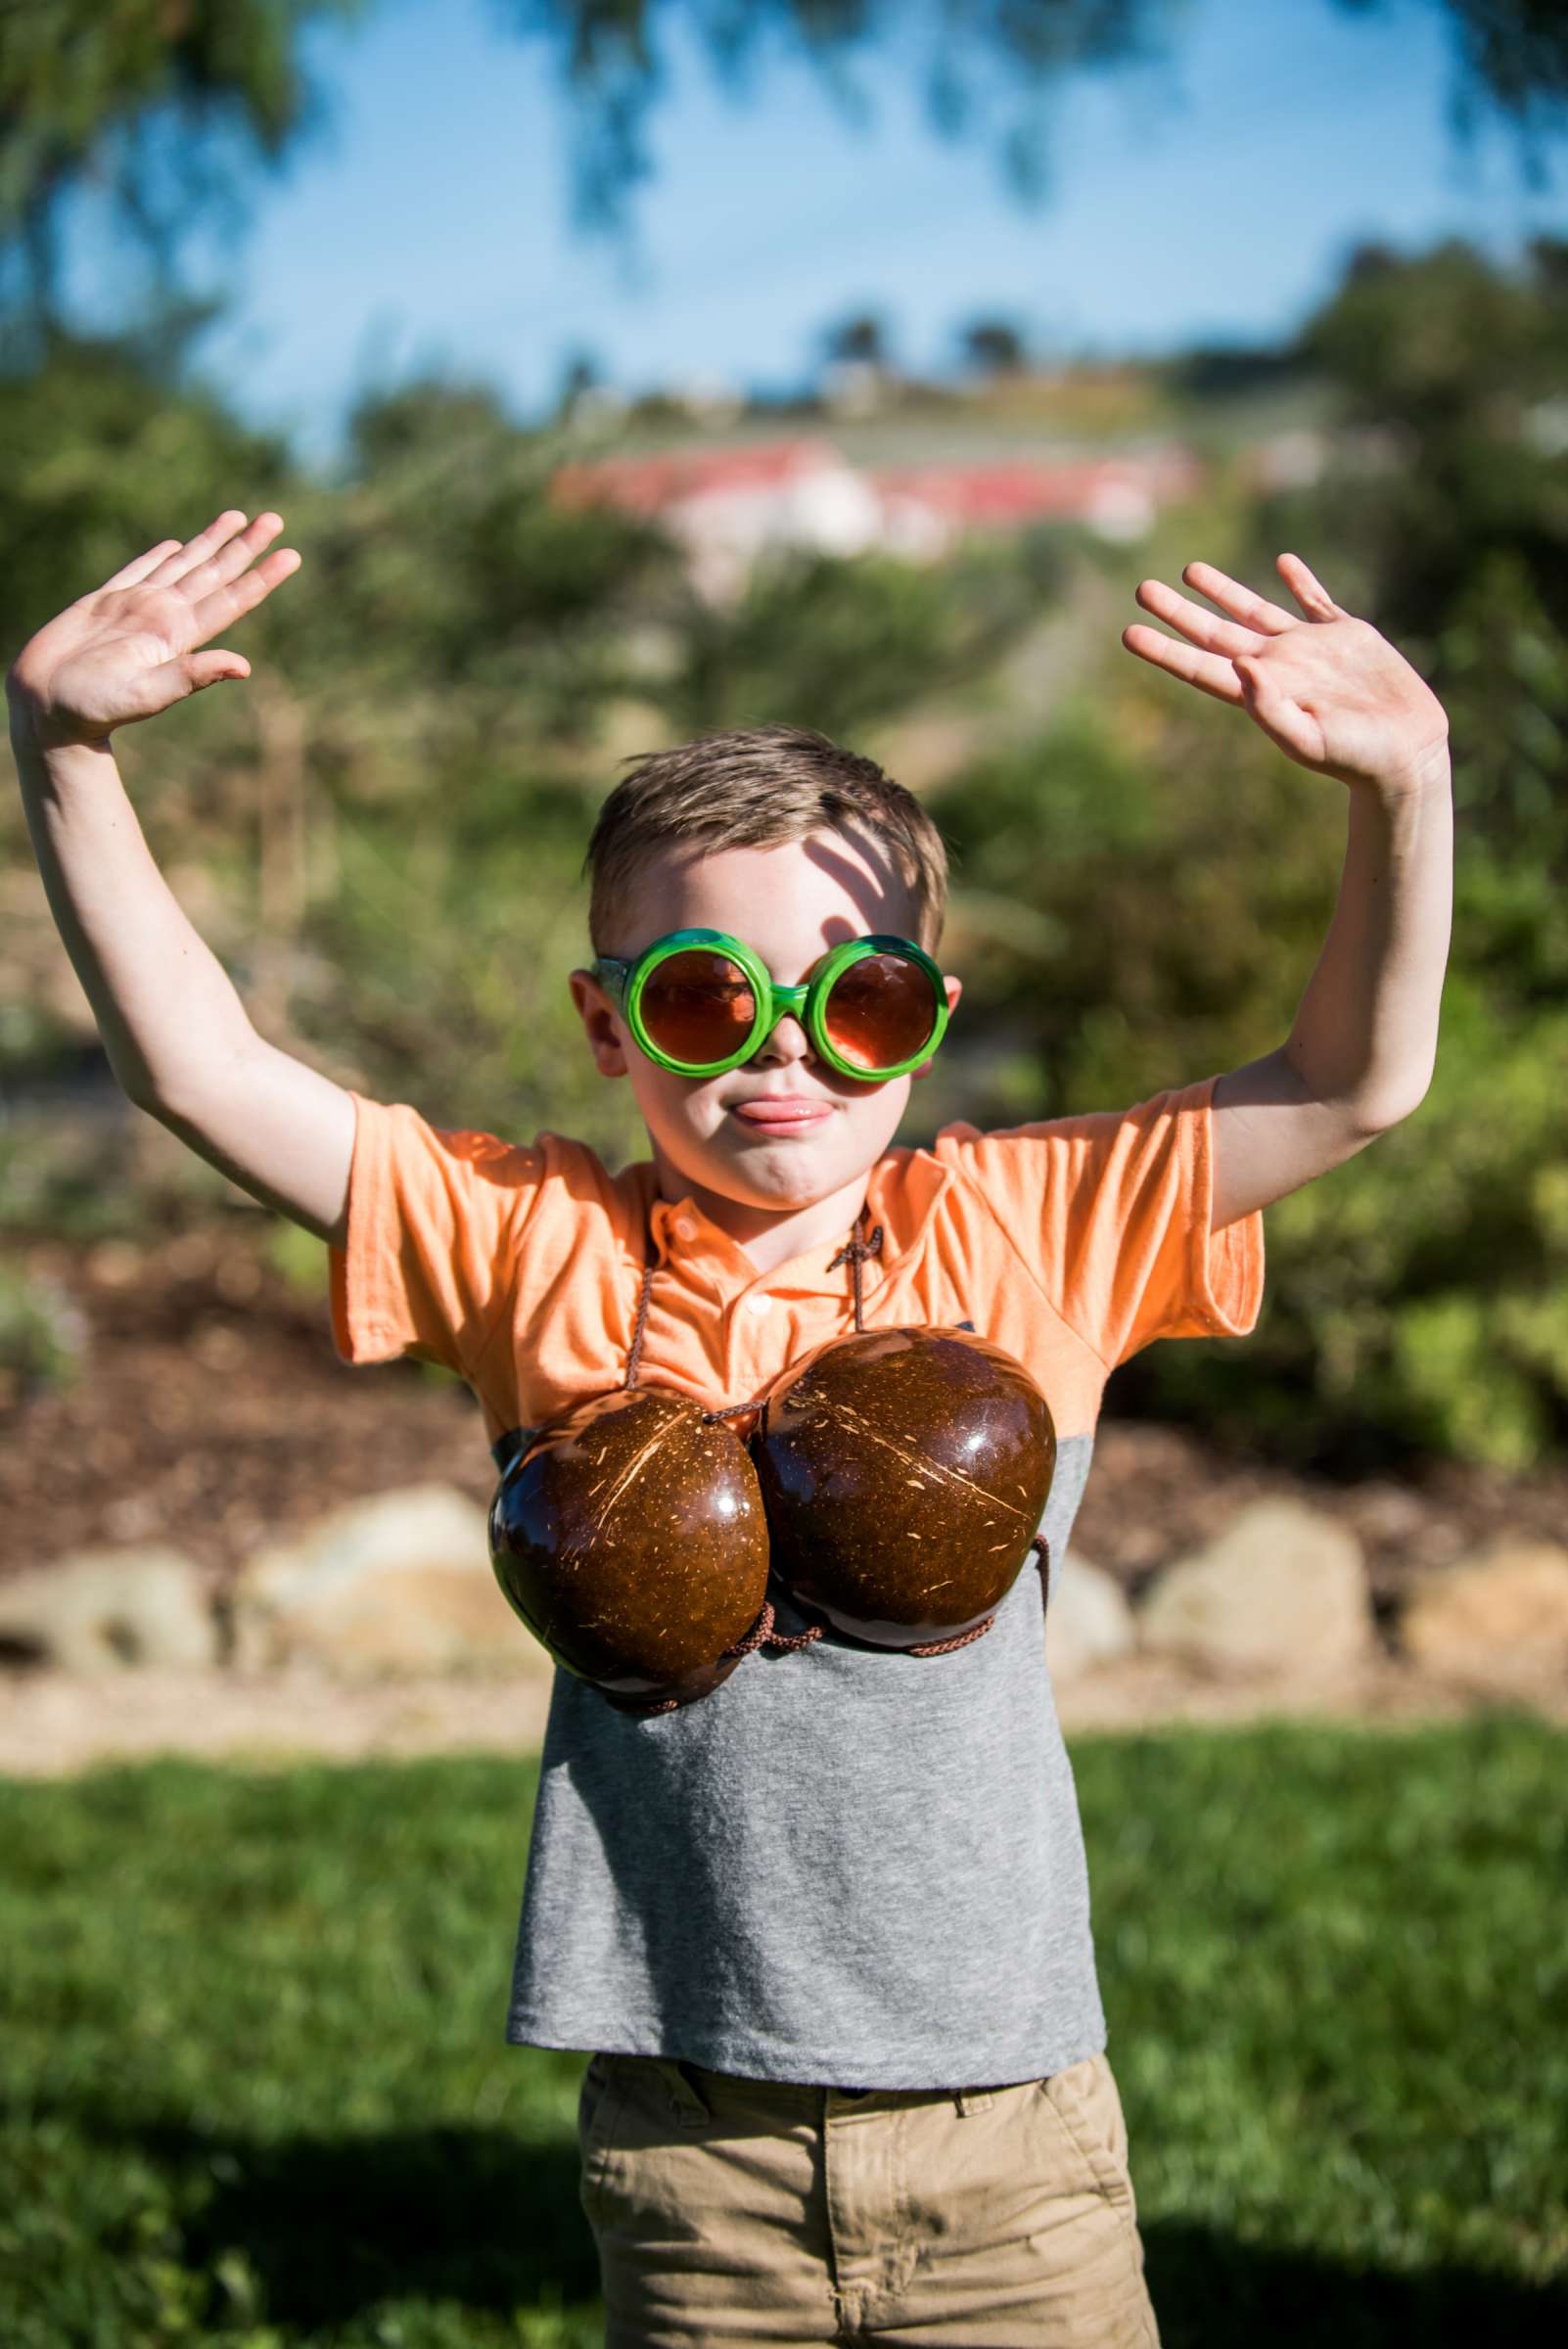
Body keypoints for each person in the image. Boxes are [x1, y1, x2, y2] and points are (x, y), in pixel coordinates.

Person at [8, 510, 1453, 2346]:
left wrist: (1403, 785)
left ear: (924, 1017)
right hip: (689, 2157)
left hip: (1006, 2136)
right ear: (610, 1030)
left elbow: (1349, 1080)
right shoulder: (540, 1251)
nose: (783, 1053)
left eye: (854, 998)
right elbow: (200, 1072)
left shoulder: (1020, 1235)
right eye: (705, 998)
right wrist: (64, 751)